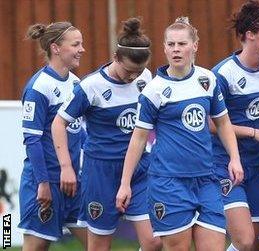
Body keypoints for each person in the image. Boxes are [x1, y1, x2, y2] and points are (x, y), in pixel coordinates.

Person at [115, 16, 243, 251]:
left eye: (182, 44)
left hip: (206, 179)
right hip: (168, 182)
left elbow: (223, 123)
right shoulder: (154, 90)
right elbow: (139, 138)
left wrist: (234, 159)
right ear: (164, 48)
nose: (176, 49)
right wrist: (125, 183)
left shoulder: (208, 80)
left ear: (194, 46)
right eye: (171, 44)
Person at [51, 17, 161, 251]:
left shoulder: (146, 78)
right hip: (100, 172)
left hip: (139, 168)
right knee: (99, 246)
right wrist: (66, 167)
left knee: (154, 242)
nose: (133, 77)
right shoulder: (91, 87)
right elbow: (58, 123)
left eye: (138, 72)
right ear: (116, 58)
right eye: (129, 71)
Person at [211, 1, 259, 250]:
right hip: (226, 162)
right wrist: (254, 133)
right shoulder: (223, 74)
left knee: (249, 243)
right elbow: (211, 123)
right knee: (244, 239)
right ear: (250, 35)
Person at [18, 21, 88, 251]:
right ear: (56, 48)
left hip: (73, 183)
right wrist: (43, 183)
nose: (82, 49)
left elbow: (81, 132)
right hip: (47, 182)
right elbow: (33, 140)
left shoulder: (77, 83)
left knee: (97, 243)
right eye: (76, 44)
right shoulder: (39, 87)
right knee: (36, 246)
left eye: (82, 44)